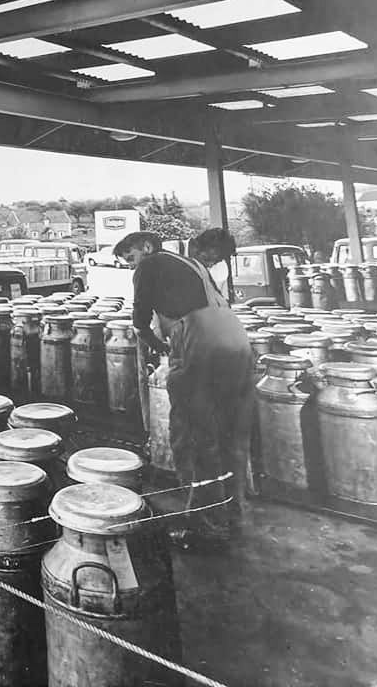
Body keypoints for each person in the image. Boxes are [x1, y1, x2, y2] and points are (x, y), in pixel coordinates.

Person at [113, 231, 253, 550]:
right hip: (235, 338)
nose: (131, 264)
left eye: (131, 256)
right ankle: (231, 515)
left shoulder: (148, 266)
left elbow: (139, 319)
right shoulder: (190, 264)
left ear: (146, 247)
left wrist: (159, 346)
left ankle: (206, 528)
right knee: (226, 433)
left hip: (199, 338)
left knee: (192, 436)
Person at [188, 228, 237, 300]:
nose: (209, 265)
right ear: (195, 246)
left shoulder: (211, 271)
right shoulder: (169, 253)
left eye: (215, 263)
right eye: (206, 259)